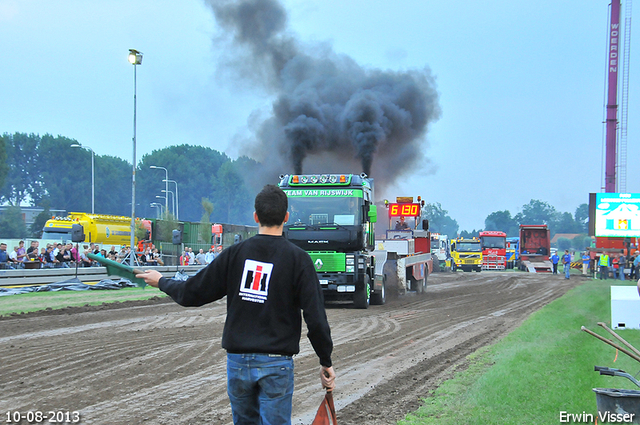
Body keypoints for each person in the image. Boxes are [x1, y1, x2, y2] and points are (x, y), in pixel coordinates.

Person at [136, 184, 335, 424]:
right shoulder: (299, 260)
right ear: (286, 217)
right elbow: (316, 318)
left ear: (255, 217)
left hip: (238, 361)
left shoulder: (235, 254)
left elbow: (193, 292)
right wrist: (325, 360)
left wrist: (162, 282)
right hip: (276, 363)